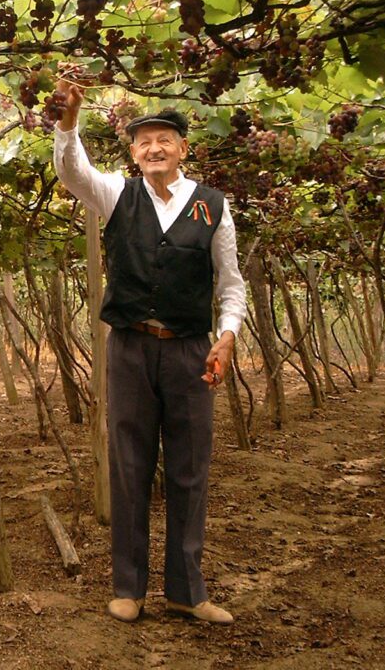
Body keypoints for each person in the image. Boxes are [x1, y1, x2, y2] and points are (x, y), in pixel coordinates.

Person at [52, 79, 247, 625]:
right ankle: (128, 588)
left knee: (190, 467)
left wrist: (227, 335)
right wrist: (68, 123)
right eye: (144, 143)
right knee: (129, 465)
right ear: (134, 153)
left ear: (183, 148)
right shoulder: (117, 194)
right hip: (130, 348)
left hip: (190, 351)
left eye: (164, 140)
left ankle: (187, 591)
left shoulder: (212, 206)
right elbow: (72, 172)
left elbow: (231, 283)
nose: (154, 149)